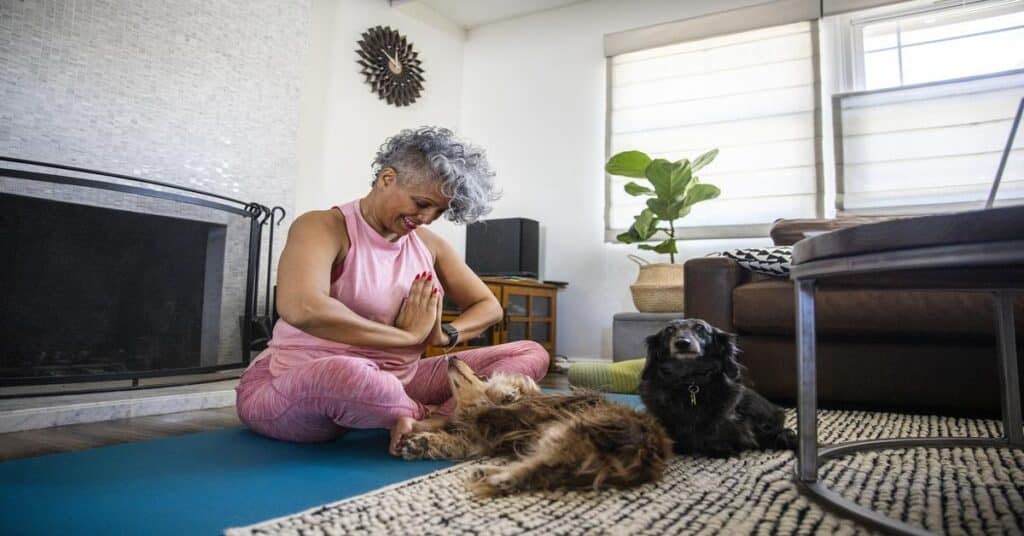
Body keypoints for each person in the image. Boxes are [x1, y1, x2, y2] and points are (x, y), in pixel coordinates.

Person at [235, 126, 550, 454]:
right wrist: (406, 337)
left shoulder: (429, 245)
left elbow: (488, 306)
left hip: (401, 379)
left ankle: (432, 423)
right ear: (387, 178)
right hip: (296, 381)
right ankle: (427, 414)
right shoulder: (324, 226)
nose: (427, 218)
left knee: (529, 353)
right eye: (422, 203)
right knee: (350, 374)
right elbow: (302, 307)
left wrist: (444, 335)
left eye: (439, 211)